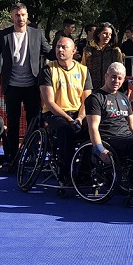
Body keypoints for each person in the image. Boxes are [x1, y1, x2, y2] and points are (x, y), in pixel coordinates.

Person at [0, 3, 52, 168]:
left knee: (34, 121)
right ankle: (12, 155)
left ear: (27, 16)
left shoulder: (37, 34)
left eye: (23, 15)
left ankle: (33, 154)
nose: (21, 18)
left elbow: (50, 52)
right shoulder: (4, 35)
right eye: (17, 15)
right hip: (12, 85)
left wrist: (68, 54)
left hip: (32, 85)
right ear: (12, 17)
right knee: (13, 122)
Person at [84, 62, 133, 183]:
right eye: (113, 77)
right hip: (110, 138)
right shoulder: (96, 98)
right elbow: (93, 127)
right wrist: (99, 149)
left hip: (127, 137)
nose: (116, 80)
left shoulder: (123, 98)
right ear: (106, 77)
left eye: (120, 78)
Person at [39, 36, 93, 183]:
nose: (60, 50)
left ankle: (85, 171)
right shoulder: (48, 69)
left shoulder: (83, 70)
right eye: (57, 47)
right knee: (65, 130)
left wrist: (80, 118)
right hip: (55, 113)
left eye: (64, 47)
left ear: (74, 51)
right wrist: (69, 120)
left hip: (78, 113)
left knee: (94, 129)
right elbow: (49, 102)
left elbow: (86, 101)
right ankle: (66, 171)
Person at [81, 22, 124, 90]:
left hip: (110, 87)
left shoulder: (115, 51)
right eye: (105, 33)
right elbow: (83, 68)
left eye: (110, 34)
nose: (107, 36)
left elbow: (120, 70)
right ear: (98, 34)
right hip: (91, 87)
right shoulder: (88, 49)